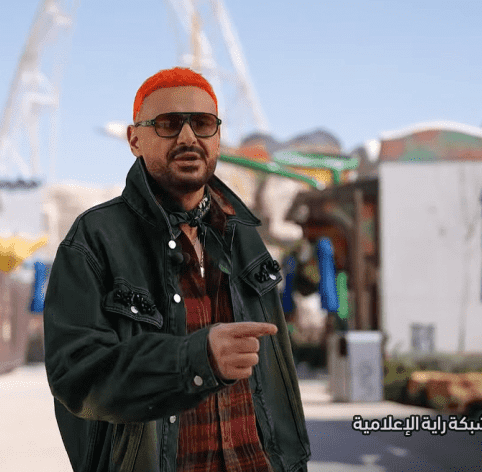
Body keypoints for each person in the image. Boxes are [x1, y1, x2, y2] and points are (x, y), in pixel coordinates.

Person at [44, 67, 311, 472]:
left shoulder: (244, 235)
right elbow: (76, 376)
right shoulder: (95, 238)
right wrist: (195, 359)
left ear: (217, 137)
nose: (188, 137)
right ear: (134, 140)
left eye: (202, 124)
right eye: (168, 124)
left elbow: (277, 376)